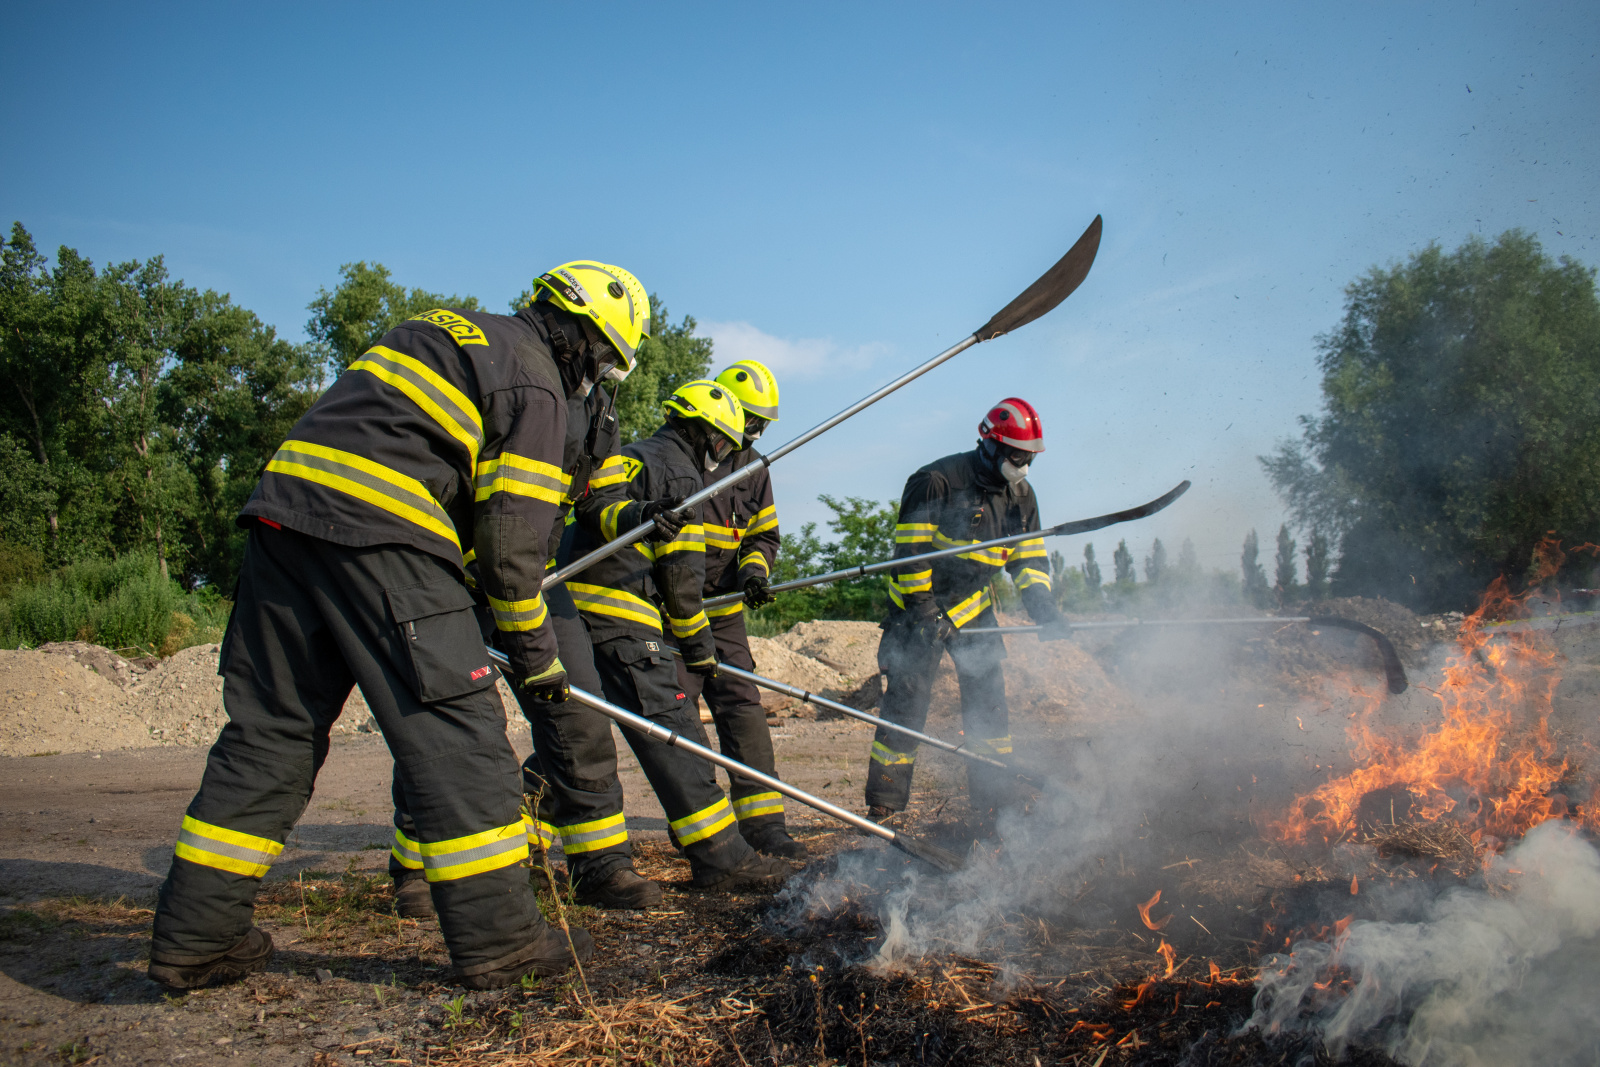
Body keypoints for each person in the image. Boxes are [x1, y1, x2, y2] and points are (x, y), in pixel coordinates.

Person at [145, 266, 630, 992]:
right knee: (462, 739)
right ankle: (505, 942)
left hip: (283, 522)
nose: (597, 383)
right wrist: (538, 661)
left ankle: (197, 936)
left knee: (270, 735)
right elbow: (511, 555)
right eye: (606, 367)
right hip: (385, 531)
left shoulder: (446, 329)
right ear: (589, 344)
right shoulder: (535, 382)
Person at [387, 262, 693, 916]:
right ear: (572, 326)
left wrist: (640, 516)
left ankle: (600, 866)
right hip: (451, 571)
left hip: (535, 572)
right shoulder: (510, 367)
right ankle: (415, 869)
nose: (604, 367)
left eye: (614, 360)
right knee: (444, 711)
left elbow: (601, 503)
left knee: (577, 712)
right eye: (604, 351)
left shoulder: (599, 412)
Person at [560, 379, 793, 891]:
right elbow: (681, 577)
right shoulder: (684, 475)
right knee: (674, 727)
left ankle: (535, 841)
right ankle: (723, 859)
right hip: (620, 609)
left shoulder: (636, 452)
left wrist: (752, 573)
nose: (731, 451)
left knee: (575, 731)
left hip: (565, 610)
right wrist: (699, 648)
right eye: (727, 441)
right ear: (708, 434)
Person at [863, 398, 1069, 826]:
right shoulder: (936, 482)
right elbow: (910, 557)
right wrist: (926, 614)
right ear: (990, 445)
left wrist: (1044, 609)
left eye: (1030, 458)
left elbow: (1028, 560)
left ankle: (994, 802)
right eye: (1017, 456)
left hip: (973, 610)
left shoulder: (1021, 495)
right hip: (916, 611)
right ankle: (884, 807)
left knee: (989, 705)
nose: (1024, 467)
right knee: (906, 707)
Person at [673, 360, 805, 859]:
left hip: (723, 606)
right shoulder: (680, 457)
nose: (752, 433)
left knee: (741, 705)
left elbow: (761, 536)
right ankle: (700, 831)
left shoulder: (755, 469)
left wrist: (753, 572)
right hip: (670, 607)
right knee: (673, 711)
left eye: (761, 425)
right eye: (748, 420)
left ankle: (764, 825)